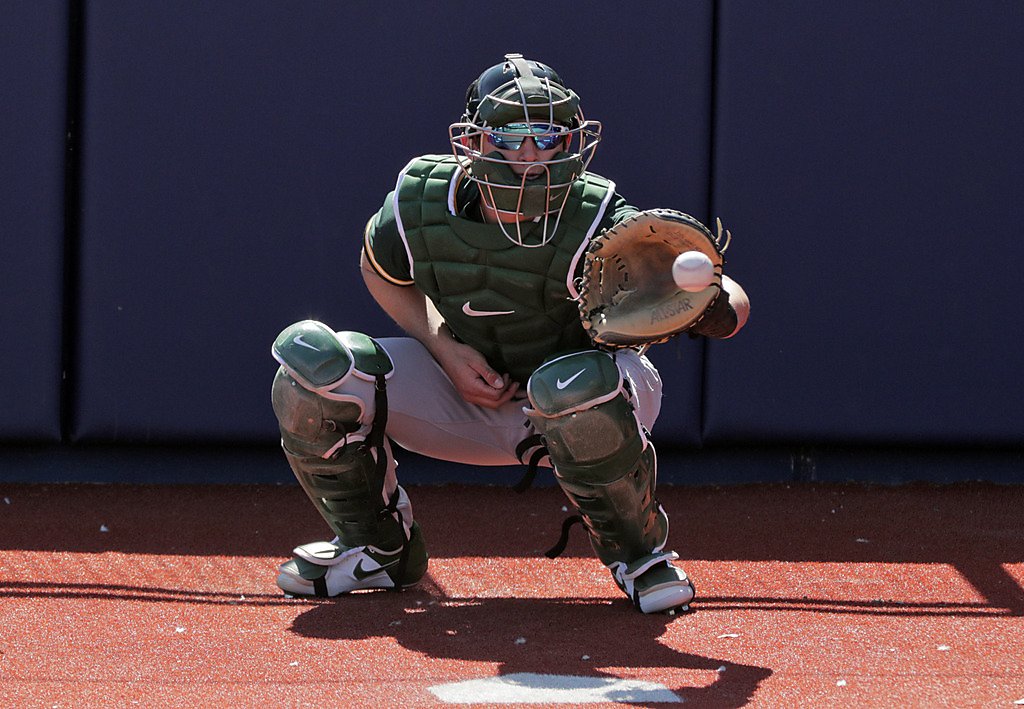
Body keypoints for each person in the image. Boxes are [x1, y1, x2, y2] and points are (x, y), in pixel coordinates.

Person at [269, 53, 749, 614]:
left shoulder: (597, 215)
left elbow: (733, 303)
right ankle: (376, 548)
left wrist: (708, 304)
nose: (531, 156)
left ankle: (640, 555)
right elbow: (379, 269)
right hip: (471, 399)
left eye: (548, 135)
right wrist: (445, 349)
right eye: (511, 134)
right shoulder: (422, 199)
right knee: (314, 366)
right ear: (474, 140)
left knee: (568, 385)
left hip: (588, 406)